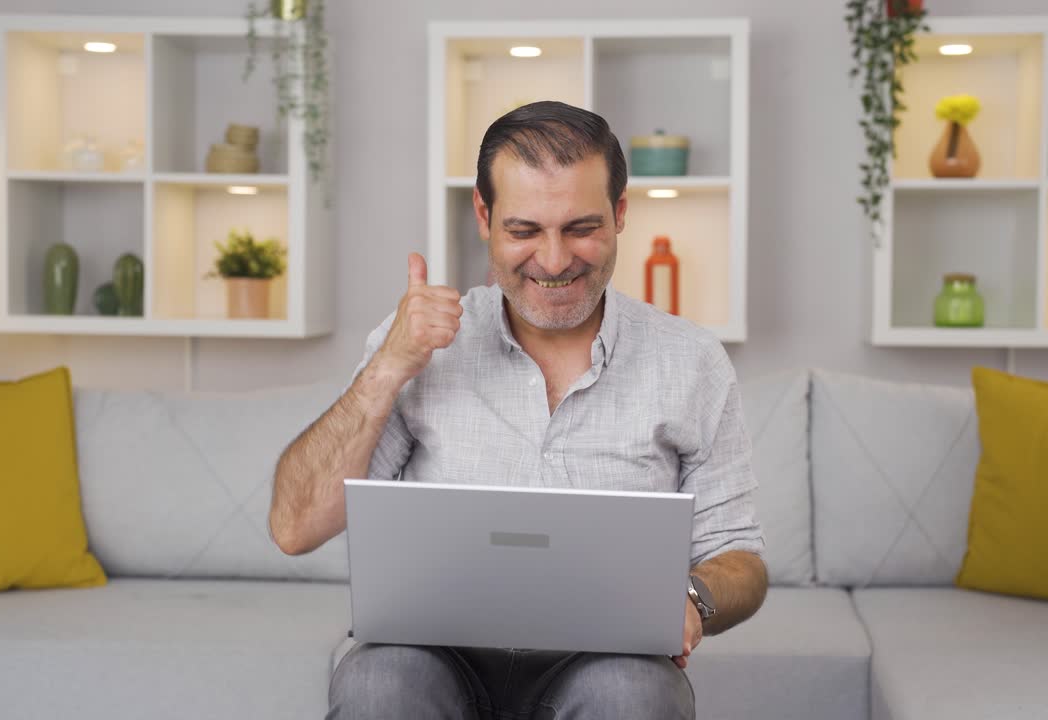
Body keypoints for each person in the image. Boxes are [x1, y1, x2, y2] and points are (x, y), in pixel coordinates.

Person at [270, 100, 767, 720]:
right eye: (525, 230)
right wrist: (386, 368)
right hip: (432, 652)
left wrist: (693, 596)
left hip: (607, 657)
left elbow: (741, 559)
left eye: (581, 228)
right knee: (376, 685)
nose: (554, 261)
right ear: (485, 216)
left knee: (635, 695)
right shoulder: (414, 346)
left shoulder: (691, 360)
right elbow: (294, 527)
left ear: (620, 213)